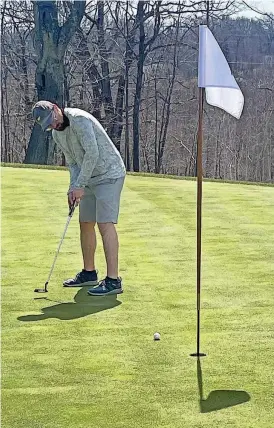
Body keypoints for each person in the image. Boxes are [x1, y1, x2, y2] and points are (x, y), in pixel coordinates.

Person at [32, 100, 126, 296]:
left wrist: (80, 185)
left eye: (53, 119)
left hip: (109, 174)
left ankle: (113, 280)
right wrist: (73, 187)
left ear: (56, 109)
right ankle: (89, 273)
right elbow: (74, 163)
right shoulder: (58, 135)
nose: (54, 125)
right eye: (49, 125)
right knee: (85, 222)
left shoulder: (80, 120)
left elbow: (93, 153)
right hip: (88, 177)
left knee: (105, 223)